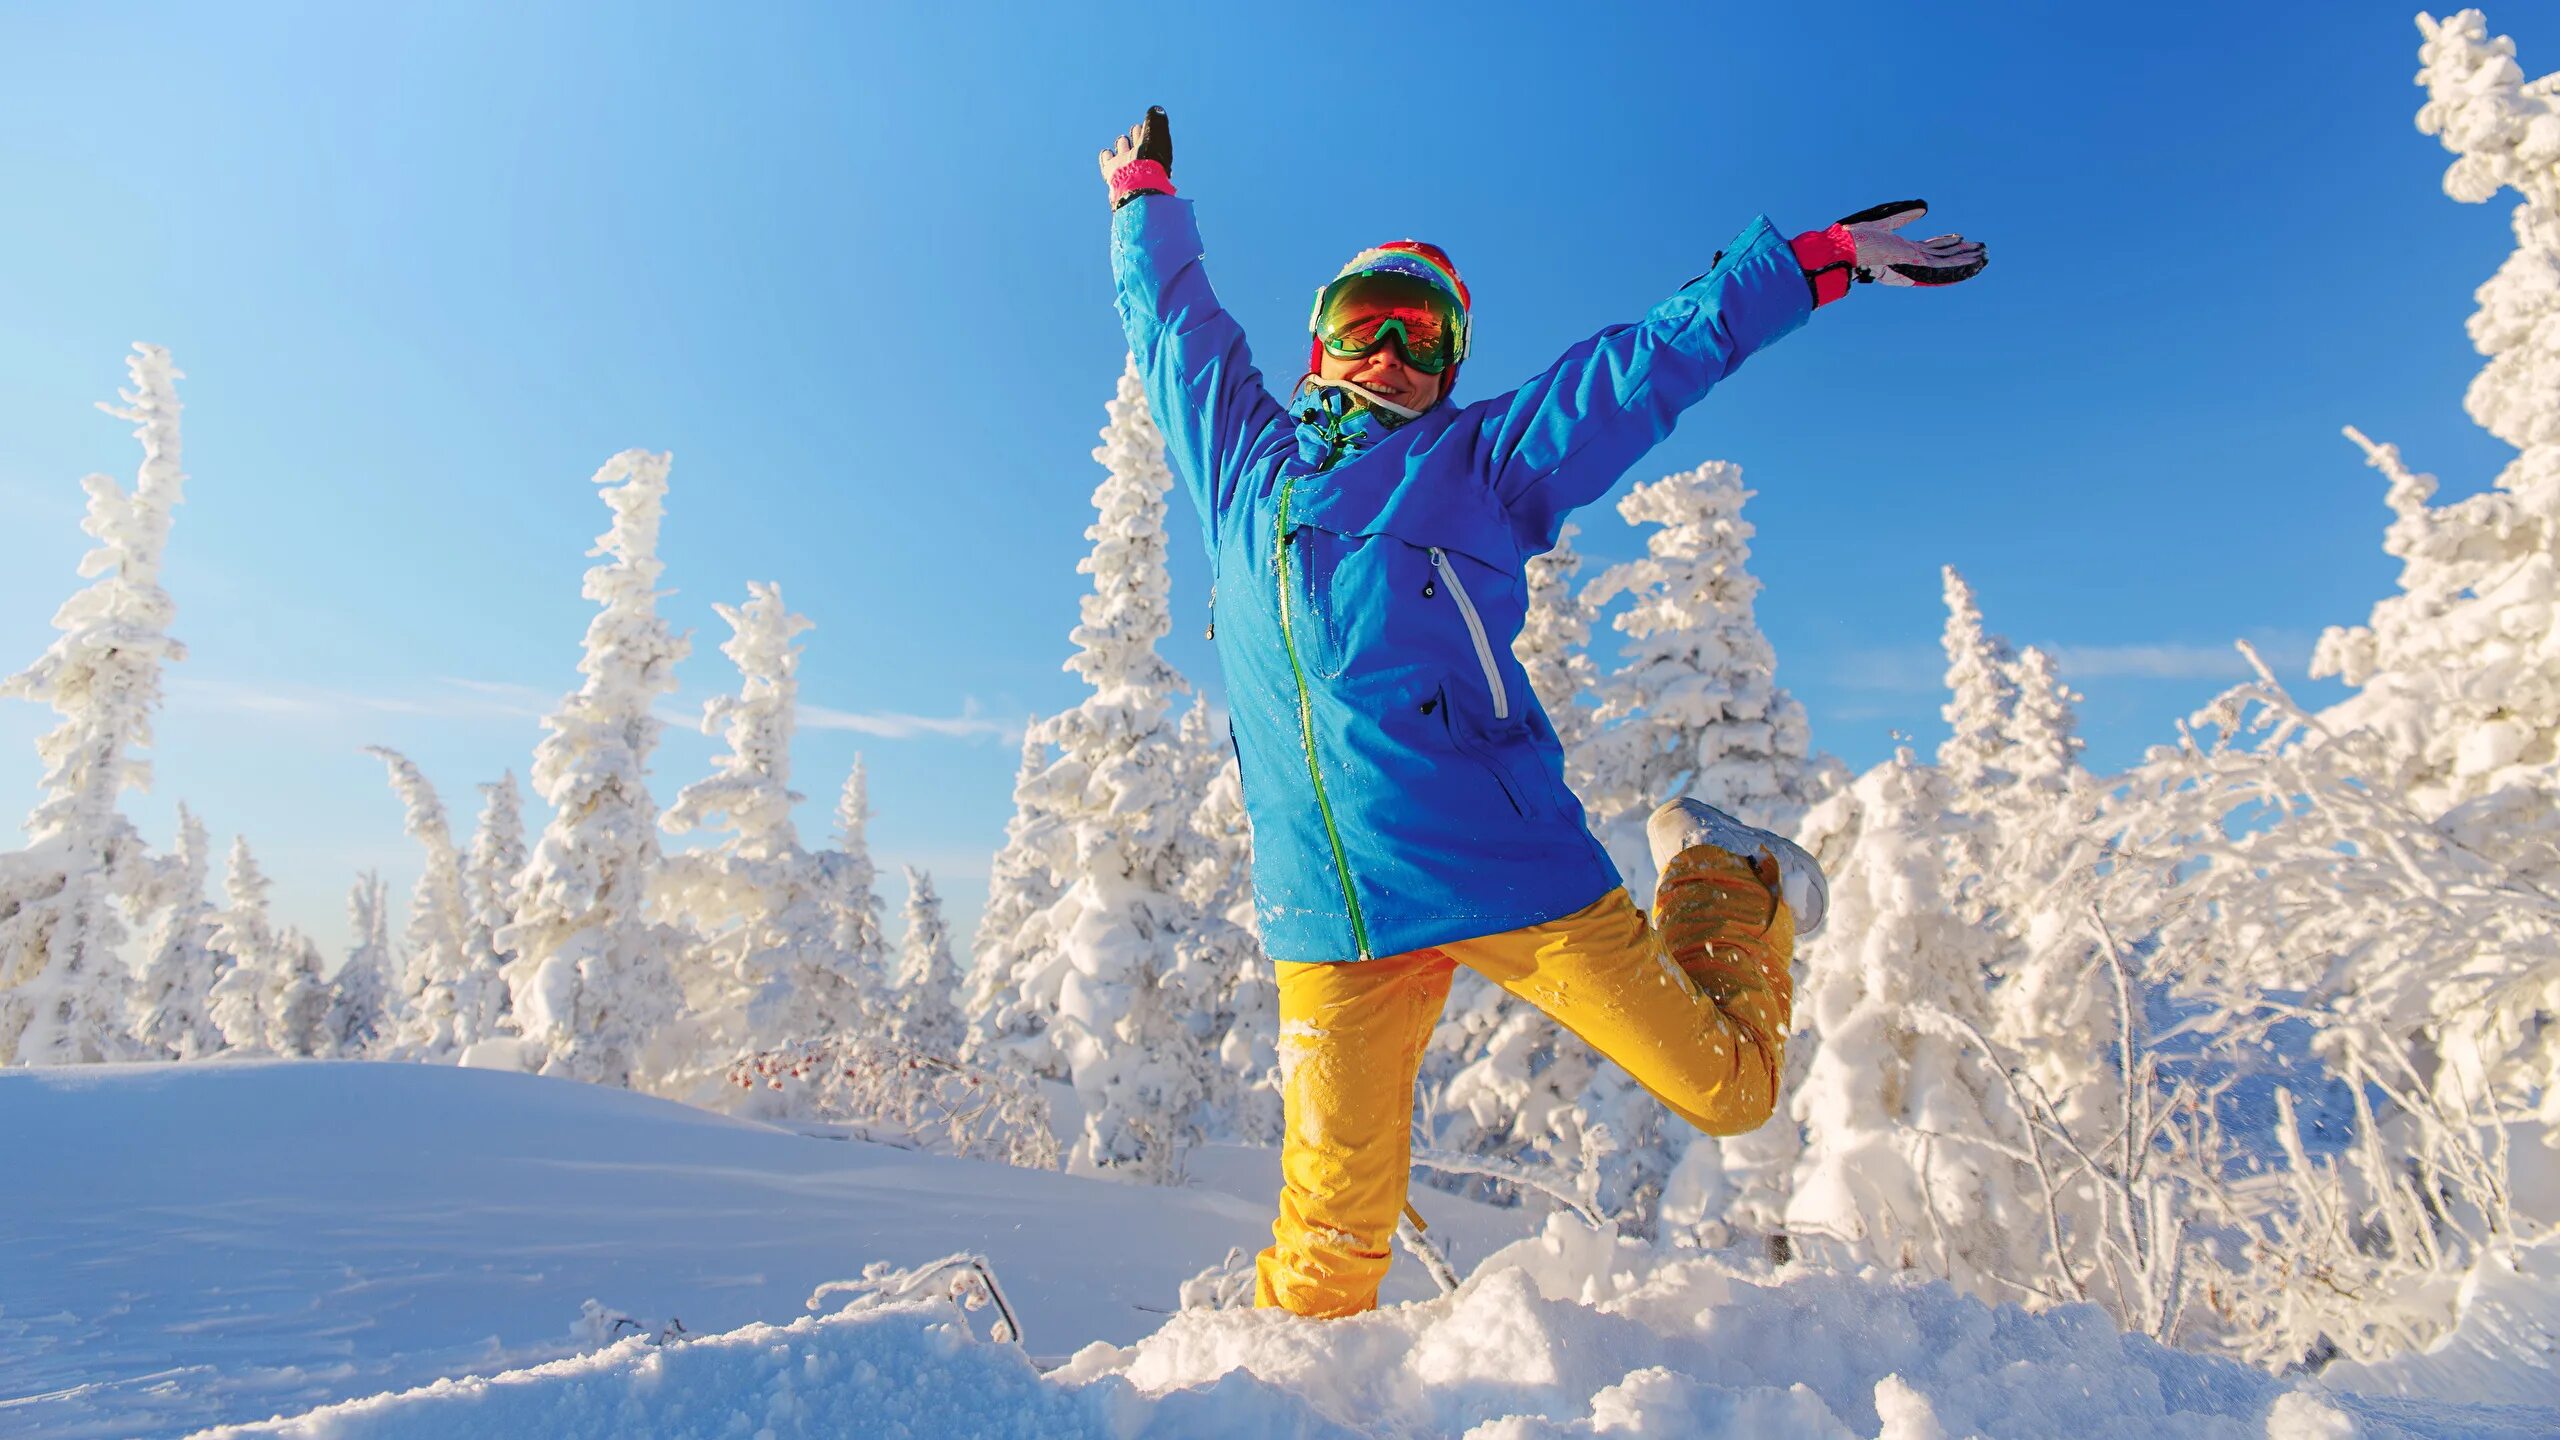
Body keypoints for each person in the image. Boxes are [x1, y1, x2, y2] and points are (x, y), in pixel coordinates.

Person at [1098, 107, 1985, 1318]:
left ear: (1451, 366)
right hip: (1327, 914)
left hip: (1504, 868)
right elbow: (1176, 334)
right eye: (1368, 321)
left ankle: (1727, 871)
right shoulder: (1243, 468)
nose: (1393, 353)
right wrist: (1144, 203)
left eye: (1426, 335)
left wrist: (1810, 264)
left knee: (1730, 1091)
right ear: (1321, 343)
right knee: (1324, 1255)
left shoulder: (1482, 463)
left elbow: (1643, 366)